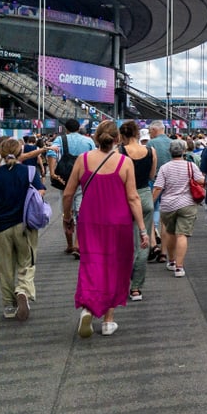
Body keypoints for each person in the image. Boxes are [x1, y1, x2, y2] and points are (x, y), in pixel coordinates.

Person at [62, 120, 149, 337]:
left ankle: (87, 307)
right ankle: (109, 321)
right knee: (115, 267)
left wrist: (67, 217)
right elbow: (133, 197)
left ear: (95, 137)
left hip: (89, 220)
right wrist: (143, 229)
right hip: (118, 222)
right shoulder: (124, 162)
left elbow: (68, 193)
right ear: (117, 140)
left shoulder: (83, 160)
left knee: (90, 264)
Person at [0, 137, 46, 320]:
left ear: (0, 153)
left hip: (0, 226)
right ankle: (23, 290)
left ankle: (9, 305)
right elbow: (40, 192)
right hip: (25, 225)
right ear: (20, 152)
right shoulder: (30, 172)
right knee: (27, 262)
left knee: (5, 267)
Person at [152, 140, 204, 278]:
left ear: (170, 152)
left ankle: (171, 261)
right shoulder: (190, 166)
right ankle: (179, 268)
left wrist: (151, 202)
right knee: (182, 235)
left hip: (168, 205)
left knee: (170, 233)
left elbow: (158, 187)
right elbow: (201, 181)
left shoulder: (164, 168)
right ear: (183, 152)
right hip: (187, 204)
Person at [46, 118, 95, 258]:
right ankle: (79, 244)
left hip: (65, 180)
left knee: (66, 210)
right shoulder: (88, 141)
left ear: (65, 129)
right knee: (81, 212)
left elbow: (51, 153)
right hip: (84, 179)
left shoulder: (60, 140)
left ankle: (69, 244)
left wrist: (53, 173)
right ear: (79, 128)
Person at [118, 120, 157, 300]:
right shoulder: (150, 151)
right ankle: (136, 288)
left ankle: (122, 281)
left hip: (125, 197)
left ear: (122, 135)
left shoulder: (120, 153)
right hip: (145, 196)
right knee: (143, 242)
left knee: (125, 243)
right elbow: (151, 175)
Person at [146, 120, 174, 255]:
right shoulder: (172, 143)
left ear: (155, 130)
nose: (150, 134)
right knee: (165, 210)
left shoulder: (151, 144)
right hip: (170, 181)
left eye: (150, 131)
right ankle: (165, 247)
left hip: (155, 180)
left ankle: (154, 231)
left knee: (152, 208)